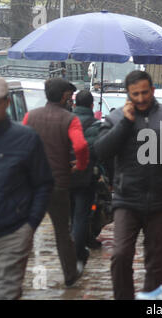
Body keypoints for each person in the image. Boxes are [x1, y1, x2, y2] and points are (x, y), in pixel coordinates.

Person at [94, 70, 162, 300]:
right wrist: (125, 124)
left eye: (144, 92)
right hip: (126, 200)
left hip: (161, 201)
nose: (140, 98)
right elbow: (101, 151)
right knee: (120, 255)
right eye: (135, 94)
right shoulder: (115, 118)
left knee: (156, 261)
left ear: (152, 90)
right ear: (128, 94)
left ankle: (151, 300)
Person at [0, 75, 54, 299]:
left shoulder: (26, 139)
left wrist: (29, 225)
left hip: (12, 232)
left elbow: (44, 184)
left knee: (4, 294)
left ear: (7, 103)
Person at [23, 77, 89, 287]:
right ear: (63, 97)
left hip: (32, 184)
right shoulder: (70, 119)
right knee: (62, 231)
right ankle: (70, 274)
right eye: (69, 96)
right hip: (59, 183)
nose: (70, 100)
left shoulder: (30, 117)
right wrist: (80, 165)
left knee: (25, 231)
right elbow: (80, 146)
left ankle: (14, 273)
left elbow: (21, 145)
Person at [70, 90, 102, 266]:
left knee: (70, 215)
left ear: (74, 104)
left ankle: (72, 247)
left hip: (65, 174)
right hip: (86, 175)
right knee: (81, 215)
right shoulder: (96, 125)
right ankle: (77, 251)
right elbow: (100, 151)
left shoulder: (66, 121)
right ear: (91, 106)